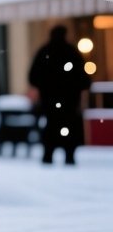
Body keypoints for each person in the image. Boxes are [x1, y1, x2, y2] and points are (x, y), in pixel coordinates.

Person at [28, 25, 91, 166]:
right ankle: (69, 155)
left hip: (49, 100)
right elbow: (84, 79)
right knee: (69, 127)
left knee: (51, 126)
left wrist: (46, 86)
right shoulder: (72, 52)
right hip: (69, 100)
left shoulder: (45, 52)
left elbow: (33, 77)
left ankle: (48, 155)